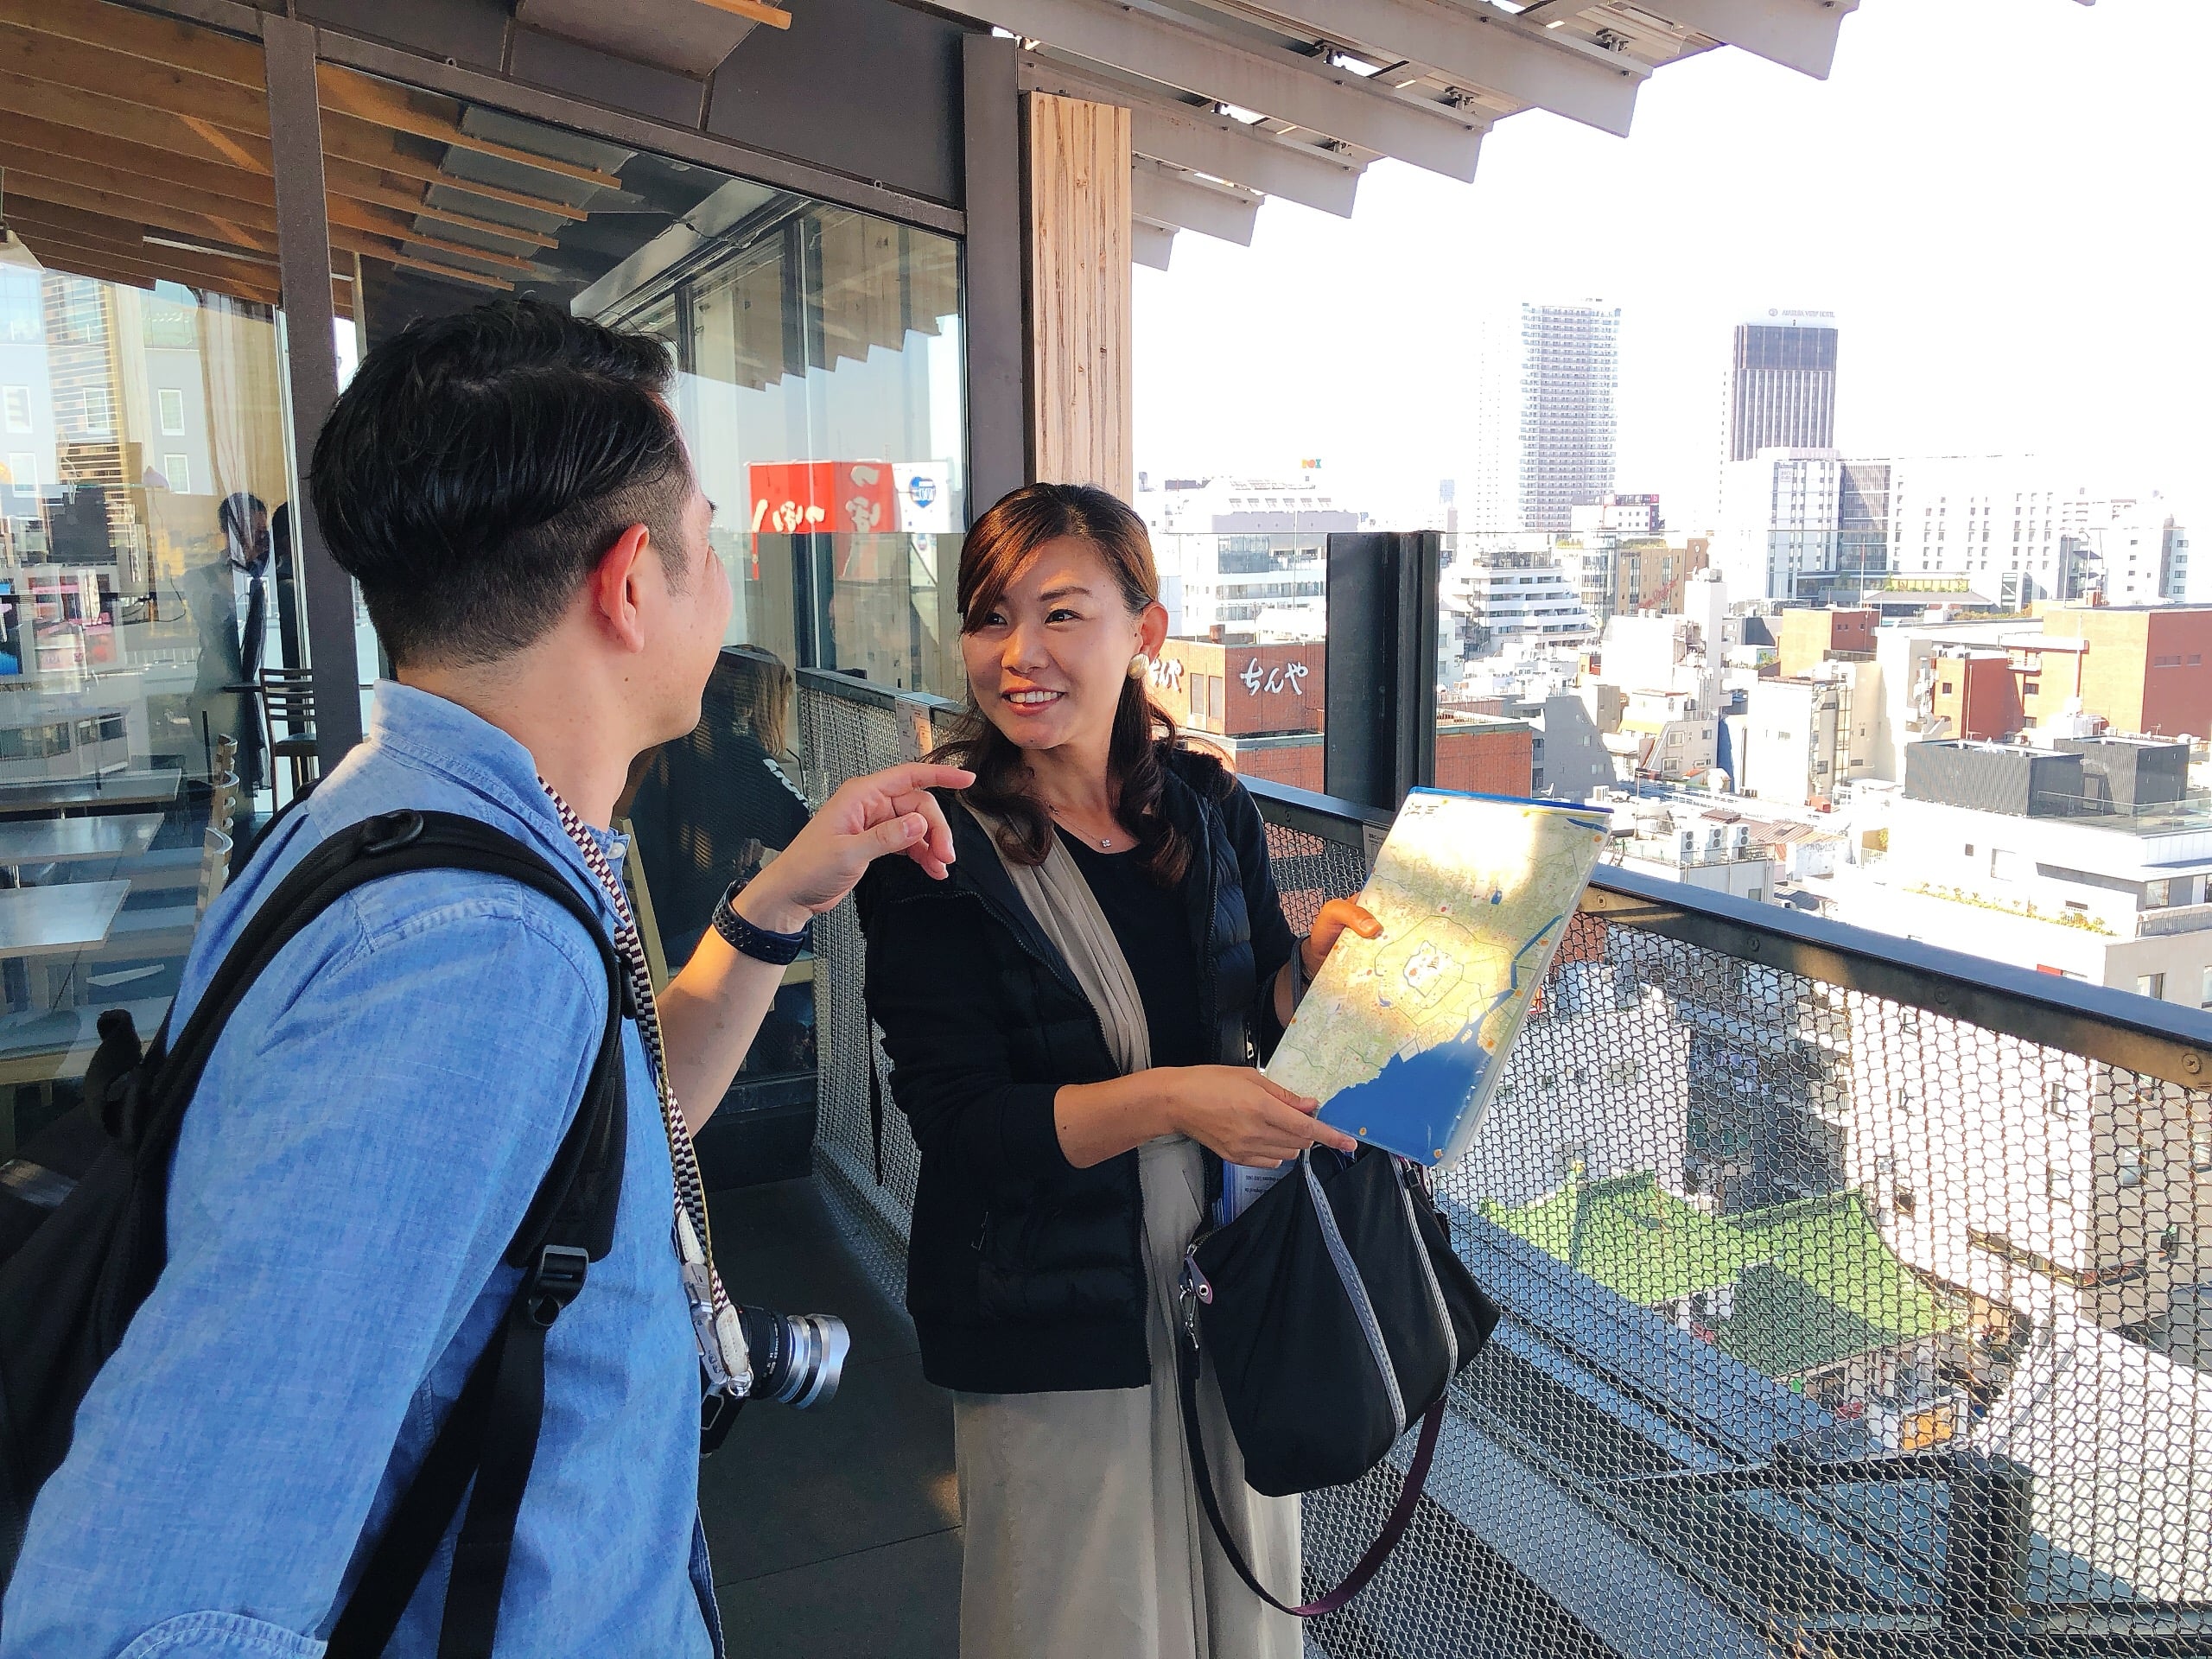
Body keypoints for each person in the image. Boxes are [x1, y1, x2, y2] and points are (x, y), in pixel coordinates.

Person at [0, 298, 969, 1656]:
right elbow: (140, 1605)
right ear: (630, 584)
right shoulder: (464, 953)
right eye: (707, 543)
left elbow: (582, 1154)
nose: (725, 574)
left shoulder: (383, 829)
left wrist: (768, 911)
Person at [856, 483, 1381, 1659]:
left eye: (1061, 615)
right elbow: (967, 1126)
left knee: (1241, 1602)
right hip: (1051, 1299)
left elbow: (1246, 1018)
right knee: (1078, 1614)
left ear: (1145, 631)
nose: (1019, 655)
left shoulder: (1204, 806)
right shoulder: (931, 846)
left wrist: (1313, 970)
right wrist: (1176, 1103)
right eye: (992, 618)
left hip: (1228, 1273)